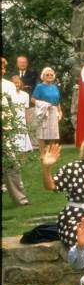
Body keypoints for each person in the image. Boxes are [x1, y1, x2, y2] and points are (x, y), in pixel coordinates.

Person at [2, 57, 29, 205]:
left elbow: (11, 106)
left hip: (5, 128)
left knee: (11, 163)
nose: (3, 71)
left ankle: (21, 199)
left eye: (4, 69)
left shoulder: (8, 85)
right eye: (2, 68)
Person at [32, 67, 62, 153]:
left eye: (51, 75)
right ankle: (42, 154)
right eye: (47, 74)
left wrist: (60, 111)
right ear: (43, 76)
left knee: (53, 135)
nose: (49, 76)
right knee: (42, 134)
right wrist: (44, 104)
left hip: (53, 111)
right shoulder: (39, 87)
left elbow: (58, 101)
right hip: (43, 112)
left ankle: (51, 153)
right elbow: (33, 100)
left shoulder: (55, 87)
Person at [10, 76, 33, 154]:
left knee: (22, 137)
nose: (17, 84)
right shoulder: (8, 95)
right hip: (11, 118)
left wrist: (27, 121)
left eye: (18, 82)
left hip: (22, 119)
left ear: (21, 83)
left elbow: (26, 109)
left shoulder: (25, 95)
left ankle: (22, 153)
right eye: (15, 83)